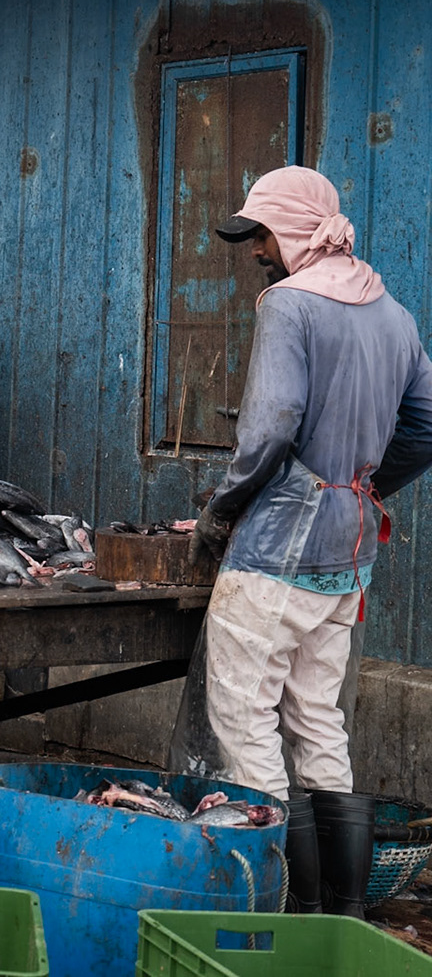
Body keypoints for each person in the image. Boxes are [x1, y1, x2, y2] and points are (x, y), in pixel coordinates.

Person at [187, 165, 432, 916]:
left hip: (276, 555)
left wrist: (221, 509)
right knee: (319, 721)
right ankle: (342, 911)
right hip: (348, 556)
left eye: (261, 234)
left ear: (293, 230)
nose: (257, 251)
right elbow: (425, 426)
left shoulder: (289, 305)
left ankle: (282, 906)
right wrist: (360, 485)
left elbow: (268, 430)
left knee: (246, 722)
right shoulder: (393, 313)